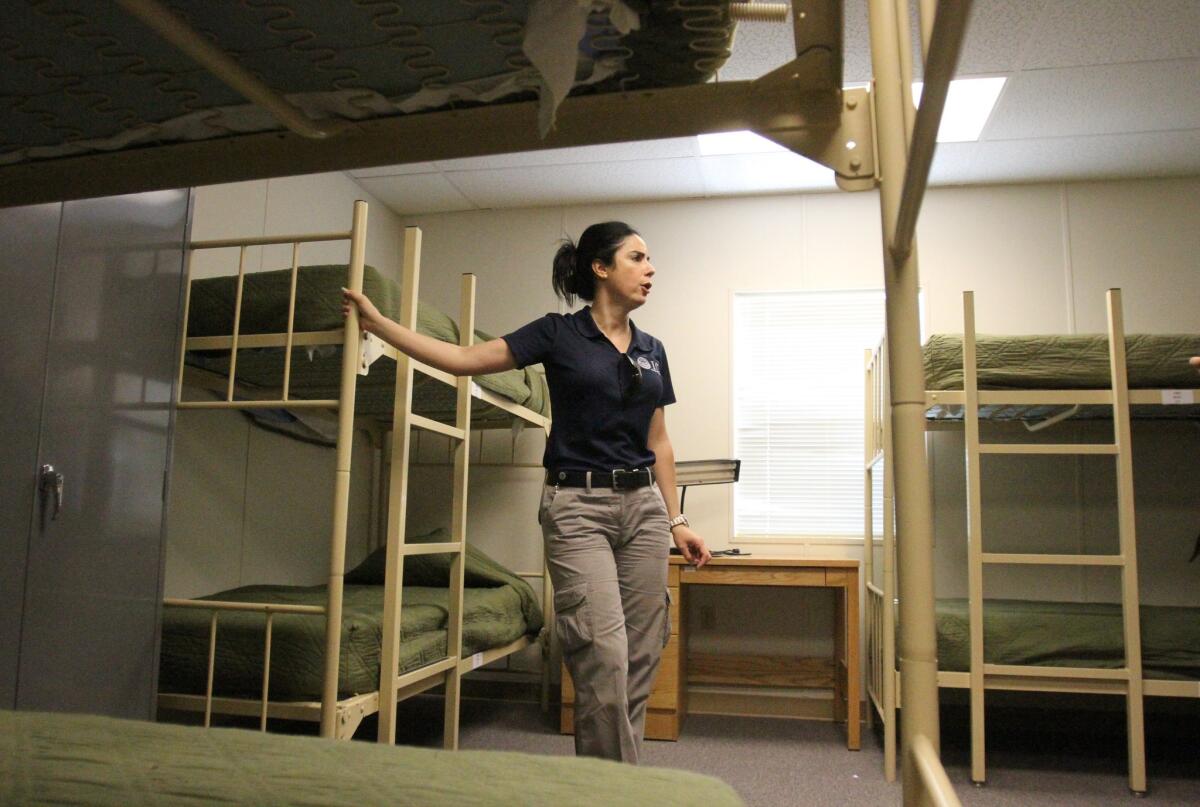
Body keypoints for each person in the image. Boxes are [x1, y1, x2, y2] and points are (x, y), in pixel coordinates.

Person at [342, 221, 709, 764]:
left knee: (642, 652)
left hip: (645, 511)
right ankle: (618, 790)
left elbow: (660, 442)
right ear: (600, 268)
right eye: (637, 258)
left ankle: (608, 782)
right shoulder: (558, 334)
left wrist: (677, 521)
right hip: (578, 507)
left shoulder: (653, 350)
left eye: (649, 259)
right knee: (602, 653)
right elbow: (465, 360)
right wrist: (382, 326)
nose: (650, 268)